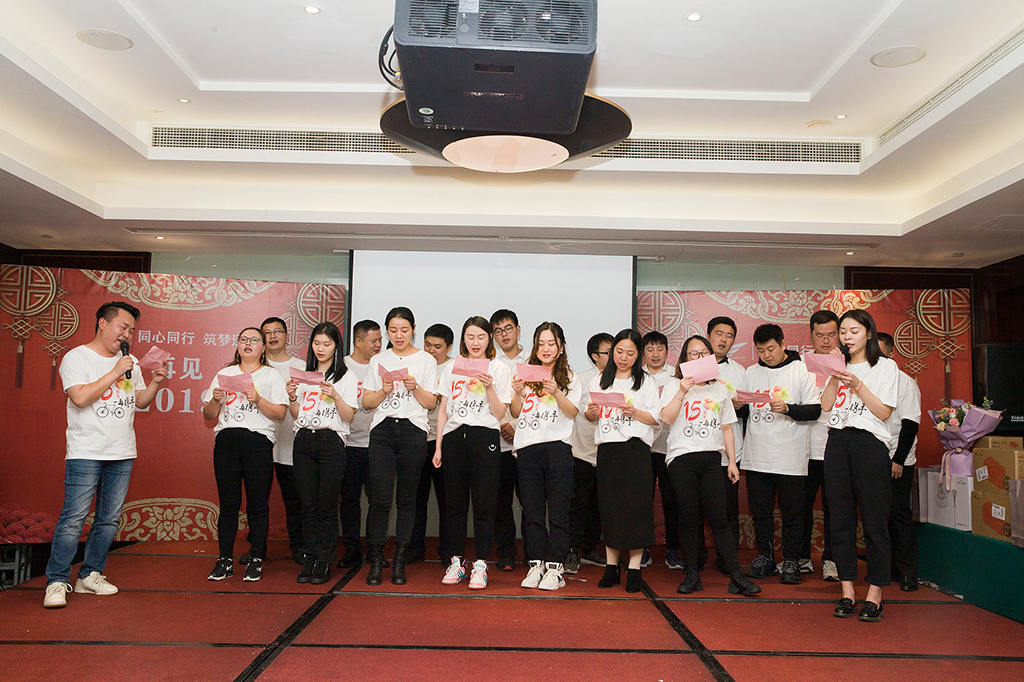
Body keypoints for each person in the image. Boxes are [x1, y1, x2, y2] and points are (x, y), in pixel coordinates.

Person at [43, 302, 169, 609]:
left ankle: (90, 574)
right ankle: (56, 581)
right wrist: (114, 372)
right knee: (73, 519)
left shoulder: (130, 362)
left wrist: (155, 382)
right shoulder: (77, 357)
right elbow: (80, 397)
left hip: (122, 451)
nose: (128, 335)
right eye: (123, 327)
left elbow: (139, 402)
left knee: (109, 520)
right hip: (86, 451)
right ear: (102, 323)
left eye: (132, 331)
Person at [660, 335, 761, 597]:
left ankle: (736, 575)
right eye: (693, 354)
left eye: (704, 353)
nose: (699, 357)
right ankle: (692, 572)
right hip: (681, 459)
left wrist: (731, 462)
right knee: (688, 517)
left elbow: (727, 427)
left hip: (712, 460)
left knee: (720, 519)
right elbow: (666, 418)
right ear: (684, 359)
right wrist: (682, 391)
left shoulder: (720, 389)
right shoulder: (673, 385)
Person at [820, 309, 899, 622]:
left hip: (869, 444)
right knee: (840, 519)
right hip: (837, 442)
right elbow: (826, 405)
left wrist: (857, 384)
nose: (846, 337)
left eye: (853, 331)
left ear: (869, 333)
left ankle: (875, 593)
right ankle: (847, 591)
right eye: (843, 332)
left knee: (874, 519)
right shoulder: (839, 364)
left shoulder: (886, 366)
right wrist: (834, 374)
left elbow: (883, 412)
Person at [202, 327, 289, 583]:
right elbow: (208, 414)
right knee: (228, 504)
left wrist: (258, 399)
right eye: (243, 340)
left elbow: (280, 414)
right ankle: (224, 560)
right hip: (227, 442)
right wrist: (215, 399)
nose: (248, 343)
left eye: (254, 340)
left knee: (257, 504)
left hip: (258, 443)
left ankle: (256, 559)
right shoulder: (224, 374)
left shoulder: (271, 375)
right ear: (238, 346)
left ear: (263, 348)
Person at [433, 317, 512, 589]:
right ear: (463, 339)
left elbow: (500, 413)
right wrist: (438, 446)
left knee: (484, 504)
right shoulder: (451, 367)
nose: (475, 342)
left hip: (485, 437)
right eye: (470, 337)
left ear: (489, 338)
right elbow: (444, 410)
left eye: (480, 336)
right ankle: (457, 562)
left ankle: (480, 564)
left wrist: (489, 387)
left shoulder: (499, 369)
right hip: (454, 437)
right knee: (454, 504)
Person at [361, 307, 438, 585]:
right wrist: (383, 391)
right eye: (393, 330)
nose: (399, 335)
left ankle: (400, 561)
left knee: (407, 500)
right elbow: (366, 403)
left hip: (413, 431)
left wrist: (415, 387)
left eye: (404, 330)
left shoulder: (426, 360)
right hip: (382, 430)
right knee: (380, 500)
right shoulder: (378, 360)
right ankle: (376, 560)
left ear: (413, 329)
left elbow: (431, 403)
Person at [743, 324, 820, 584]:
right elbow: (744, 412)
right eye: (761, 350)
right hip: (756, 456)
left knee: (793, 513)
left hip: (790, 457)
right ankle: (765, 557)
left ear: (783, 344)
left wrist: (788, 408)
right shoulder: (751, 372)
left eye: (771, 349)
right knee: (761, 513)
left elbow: (814, 410)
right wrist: (738, 405)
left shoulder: (801, 370)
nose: (767, 355)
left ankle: (791, 561)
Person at [586, 329, 659, 593]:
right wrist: (592, 412)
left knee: (636, 508)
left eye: (630, 353)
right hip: (608, 450)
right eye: (619, 351)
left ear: (638, 355)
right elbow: (590, 417)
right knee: (610, 507)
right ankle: (611, 566)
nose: (623, 357)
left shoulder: (646, 381)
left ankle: (635, 568)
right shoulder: (600, 380)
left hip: (635, 450)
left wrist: (634, 411)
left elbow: (656, 418)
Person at [287, 322, 358, 585]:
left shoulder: (346, 376)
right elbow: (297, 414)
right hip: (304, 440)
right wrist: (292, 397)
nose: (321, 348)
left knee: (327, 505)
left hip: (331, 442)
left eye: (327, 344)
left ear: (336, 346)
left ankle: (324, 560)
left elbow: (349, 416)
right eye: (316, 343)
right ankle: (310, 558)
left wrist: (336, 396)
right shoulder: (305, 375)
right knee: (307, 504)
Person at [512, 322, 581, 591]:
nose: (546, 348)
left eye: (551, 343)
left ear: (561, 346)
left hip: (557, 448)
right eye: (541, 344)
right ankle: (536, 563)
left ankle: (556, 567)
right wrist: (517, 391)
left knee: (559, 511)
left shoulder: (570, 377)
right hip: (528, 447)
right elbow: (516, 411)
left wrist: (556, 391)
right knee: (532, 510)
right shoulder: (527, 373)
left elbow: (572, 412)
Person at [256, 316, 307, 566]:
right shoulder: (255, 365)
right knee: (258, 500)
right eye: (267, 332)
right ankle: (258, 548)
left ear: (287, 336)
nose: (273, 336)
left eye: (277, 331)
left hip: (291, 444)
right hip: (260, 444)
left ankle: (299, 546)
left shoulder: (301, 366)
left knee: (295, 500)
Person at [877, 332, 921, 593]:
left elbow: (910, 424)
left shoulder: (904, 382)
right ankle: (885, 568)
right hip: (872, 458)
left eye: (881, 352)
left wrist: (898, 460)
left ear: (891, 354)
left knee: (899, 514)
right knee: (876, 516)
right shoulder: (867, 380)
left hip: (898, 457)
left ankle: (907, 572)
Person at [566, 332, 613, 574]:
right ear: (595, 356)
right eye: (609, 352)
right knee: (578, 504)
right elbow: (579, 411)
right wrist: (590, 413)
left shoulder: (622, 380)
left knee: (600, 505)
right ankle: (571, 550)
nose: (615, 356)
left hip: (609, 453)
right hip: (582, 452)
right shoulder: (581, 379)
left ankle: (591, 548)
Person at [338, 319, 381, 568]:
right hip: (349, 444)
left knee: (378, 501)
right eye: (374, 341)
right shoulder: (342, 366)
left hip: (378, 445)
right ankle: (351, 549)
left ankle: (375, 551)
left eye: (380, 340)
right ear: (358, 341)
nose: (378, 345)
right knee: (349, 500)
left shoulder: (383, 365)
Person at [706, 316, 746, 572]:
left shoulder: (740, 371)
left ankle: (728, 560)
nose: (723, 339)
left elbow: (750, 409)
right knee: (698, 508)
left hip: (730, 452)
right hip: (701, 449)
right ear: (708, 335)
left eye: (729, 336)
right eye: (719, 333)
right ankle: (695, 557)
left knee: (728, 509)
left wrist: (740, 407)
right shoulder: (693, 368)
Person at [410, 324, 453, 564]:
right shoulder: (416, 364)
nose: (431, 350)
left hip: (444, 441)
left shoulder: (455, 368)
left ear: (449, 347)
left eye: (437, 346)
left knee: (447, 500)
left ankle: (447, 550)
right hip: (418, 438)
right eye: (427, 345)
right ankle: (414, 547)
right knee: (416, 497)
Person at [803, 310, 840, 581]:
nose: (826, 341)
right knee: (800, 506)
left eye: (831, 335)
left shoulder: (850, 364)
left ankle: (832, 559)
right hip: (803, 448)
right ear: (811, 335)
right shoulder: (799, 365)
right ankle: (801, 557)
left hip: (836, 449)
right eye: (820, 335)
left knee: (835, 508)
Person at [490, 308, 528, 570]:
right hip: (499, 443)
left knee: (530, 501)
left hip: (526, 442)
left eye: (508, 328)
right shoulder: (490, 363)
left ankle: (532, 552)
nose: (504, 334)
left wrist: (516, 428)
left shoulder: (534, 361)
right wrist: (503, 425)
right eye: (498, 331)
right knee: (500, 502)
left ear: (518, 330)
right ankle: (506, 553)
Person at [642, 331, 681, 570]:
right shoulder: (637, 377)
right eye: (650, 349)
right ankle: (642, 548)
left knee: (672, 500)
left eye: (660, 349)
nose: (655, 354)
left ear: (667, 351)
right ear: (643, 352)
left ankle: (673, 549)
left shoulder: (676, 377)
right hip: (643, 449)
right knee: (642, 501)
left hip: (670, 448)